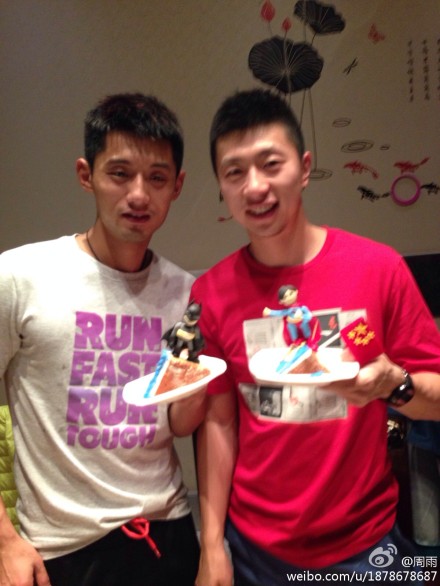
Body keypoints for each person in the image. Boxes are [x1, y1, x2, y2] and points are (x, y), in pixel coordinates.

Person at [190, 89, 440, 586]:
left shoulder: (378, 268)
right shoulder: (211, 293)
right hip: (254, 550)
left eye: (270, 164)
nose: (254, 187)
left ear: (304, 168)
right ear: (221, 186)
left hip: (365, 544)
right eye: (234, 172)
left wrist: (394, 385)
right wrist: (212, 543)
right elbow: (219, 422)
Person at [0, 92, 204, 586]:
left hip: (169, 533)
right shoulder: (20, 276)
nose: (139, 195)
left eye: (157, 178)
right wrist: (5, 541)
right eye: (120, 173)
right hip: (62, 548)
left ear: (177, 186)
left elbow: (180, 423)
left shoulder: (187, 294)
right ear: (86, 174)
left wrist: (205, 369)